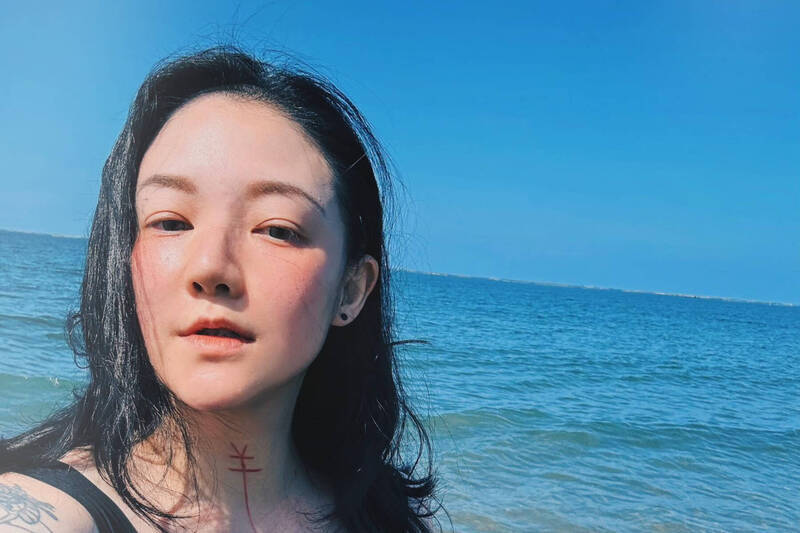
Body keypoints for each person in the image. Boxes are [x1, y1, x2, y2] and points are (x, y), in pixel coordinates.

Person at [0, 46, 439, 532]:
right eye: (170, 222)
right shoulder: (43, 514)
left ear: (351, 290)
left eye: (277, 229)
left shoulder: (392, 519)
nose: (210, 267)